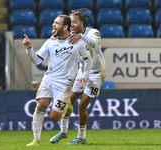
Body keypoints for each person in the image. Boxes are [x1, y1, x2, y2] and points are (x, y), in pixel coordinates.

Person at [23, 14, 92, 146]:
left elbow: (88, 60)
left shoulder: (78, 42)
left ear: (65, 27)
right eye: (53, 22)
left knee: (54, 118)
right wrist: (29, 49)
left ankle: (67, 108)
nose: (53, 25)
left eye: (57, 23)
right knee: (40, 105)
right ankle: (36, 140)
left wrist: (84, 76)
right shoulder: (50, 42)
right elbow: (37, 60)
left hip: (64, 83)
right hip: (49, 78)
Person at [50, 8, 106, 145]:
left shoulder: (93, 32)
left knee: (82, 105)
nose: (72, 25)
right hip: (81, 72)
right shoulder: (70, 36)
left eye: (75, 22)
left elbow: (94, 43)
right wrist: (54, 38)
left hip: (96, 74)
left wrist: (82, 37)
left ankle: (81, 137)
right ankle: (63, 131)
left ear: (82, 23)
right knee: (67, 102)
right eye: (70, 22)